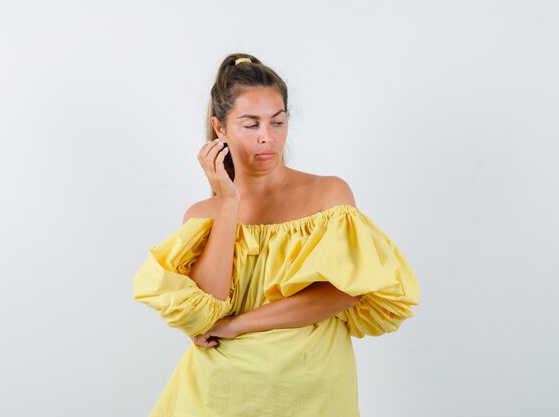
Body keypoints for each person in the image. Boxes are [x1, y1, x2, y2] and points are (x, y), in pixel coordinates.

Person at [132, 53, 420, 417]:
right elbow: (205, 310)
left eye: (278, 122)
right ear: (220, 128)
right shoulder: (203, 216)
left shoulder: (329, 195)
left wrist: (238, 325)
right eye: (250, 124)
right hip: (217, 395)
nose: (267, 138)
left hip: (310, 392)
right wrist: (228, 203)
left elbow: (346, 292)